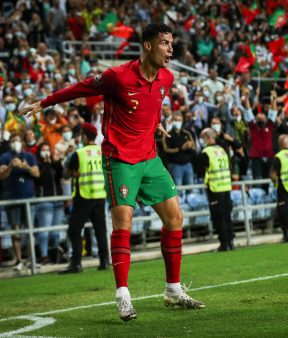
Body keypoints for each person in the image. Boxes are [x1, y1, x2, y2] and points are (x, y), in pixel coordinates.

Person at [21, 23, 204, 322]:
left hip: (150, 158)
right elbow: (79, 87)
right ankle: (123, 296)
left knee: (175, 218)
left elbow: (155, 102)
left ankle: (173, 290)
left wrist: (155, 122)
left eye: (172, 43)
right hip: (120, 159)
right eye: (165, 43)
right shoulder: (116, 76)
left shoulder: (166, 78)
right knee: (124, 222)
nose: (171, 49)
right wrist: (45, 102)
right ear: (147, 46)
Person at [59, 123, 109, 274]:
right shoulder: (102, 152)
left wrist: (69, 169)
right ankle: (104, 261)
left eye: (81, 135)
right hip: (100, 194)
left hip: (84, 195)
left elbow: (67, 174)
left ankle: (76, 264)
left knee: (74, 230)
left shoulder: (79, 153)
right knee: (100, 230)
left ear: (85, 136)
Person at [0, 133, 40, 271]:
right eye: (13, 141)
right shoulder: (5, 157)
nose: (16, 143)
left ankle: (31, 259)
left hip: (28, 196)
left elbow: (36, 173)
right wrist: (11, 166)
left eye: (18, 140)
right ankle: (18, 260)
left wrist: (26, 167)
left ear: (22, 142)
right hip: (12, 197)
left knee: (30, 228)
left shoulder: (29, 156)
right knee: (15, 229)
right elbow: (2, 175)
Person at [197, 128, 234, 251]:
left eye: (202, 138)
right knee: (227, 215)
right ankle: (231, 241)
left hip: (215, 188)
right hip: (226, 186)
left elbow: (200, 172)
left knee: (219, 217)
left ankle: (224, 244)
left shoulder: (206, 152)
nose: (201, 141)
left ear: (207, 138)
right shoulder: (222, 150)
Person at [35, 142, 64, 264]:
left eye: (48, 149)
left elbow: (61, 175)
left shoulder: (54, 165)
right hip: (44, 200)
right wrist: (45, 165)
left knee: (56, 231)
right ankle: (44, 255)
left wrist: (55, 162)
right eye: (43, 149)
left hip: (58, 200)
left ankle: (55, 253)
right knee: (44, 230)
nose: (46, 152)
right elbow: (38, 179)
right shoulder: (37, 165)